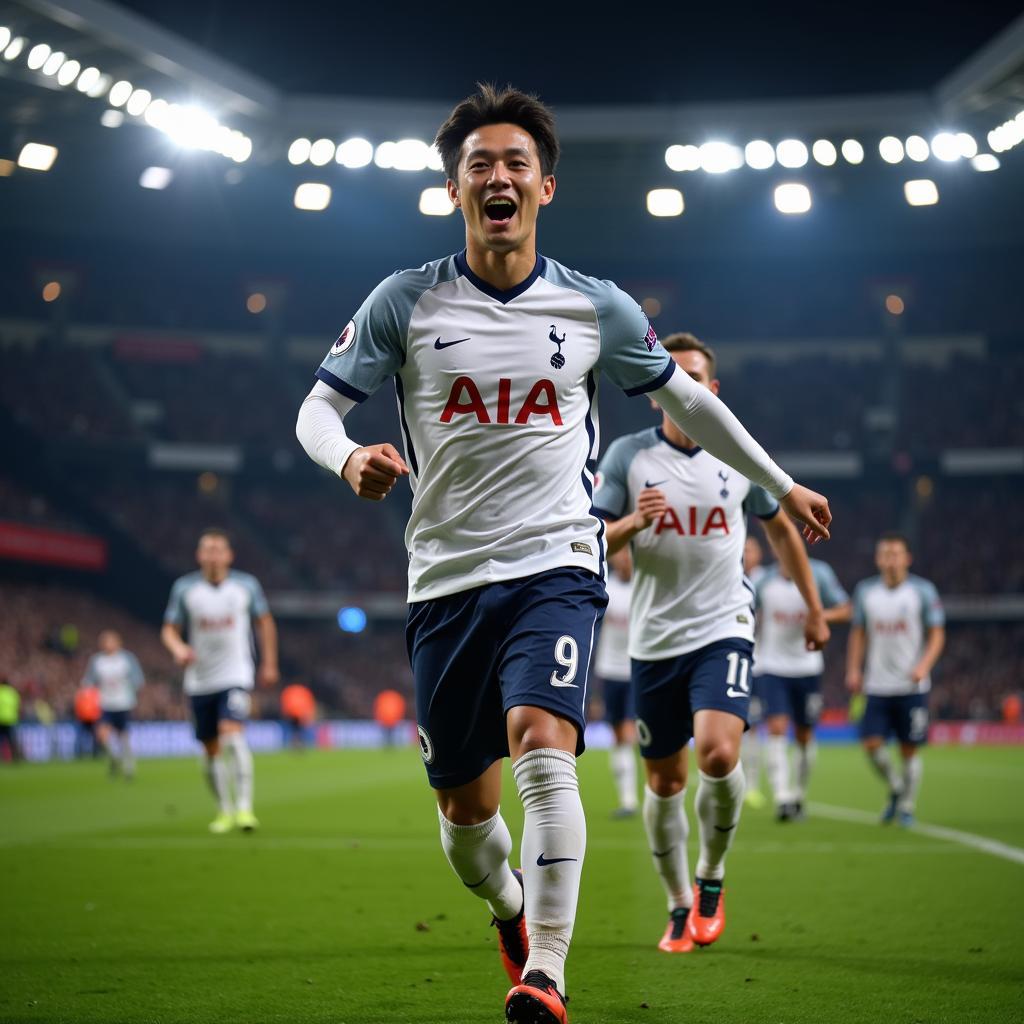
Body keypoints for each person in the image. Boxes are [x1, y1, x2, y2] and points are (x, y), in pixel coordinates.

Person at [295, 85, 830, 1024]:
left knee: (546, 749)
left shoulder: (594, 307)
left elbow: (693, 404)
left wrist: (779, 482)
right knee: (466, 825)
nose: (496, 178)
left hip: (557, 569)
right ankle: (507, 908)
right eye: (477, 166)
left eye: (513, 164)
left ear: (545, 183)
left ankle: (545, 970)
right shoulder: (405, 300)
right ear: (454, 187)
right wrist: (348, 459)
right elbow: (316, 408)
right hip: (446, 583)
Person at [593, 332, 830, 956]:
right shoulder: (625, 458)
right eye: (673, 377)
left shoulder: (737, 458)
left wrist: (812, 608)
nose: (684, 388)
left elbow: (781, 534)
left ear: (712, 391)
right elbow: (591, 541)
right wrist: (632, 524)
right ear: (654, 392)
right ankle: (677, 902)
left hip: (724, 627)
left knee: (720, 756)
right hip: (652, 642)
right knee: (665, 784)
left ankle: (712, 877)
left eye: (695, 377)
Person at [161, 528, 279, 834]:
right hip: (199, 679)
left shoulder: (245, 586)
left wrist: (268, 663)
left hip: (236, 674)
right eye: (207, 549)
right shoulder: (185, 588)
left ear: (229, 555)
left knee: (232, 734)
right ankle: (223, 810)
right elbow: (169, 629)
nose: (213, 554)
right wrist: (178, 648)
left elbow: (264, 623)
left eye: (218, 549)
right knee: (210, 748)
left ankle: (244, 808)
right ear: (199, 555)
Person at [845, 533, 945, 827]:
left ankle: (907, 806)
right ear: (877, 559)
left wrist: (923, 666)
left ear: (907, 558)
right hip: (876, 684)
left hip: (911, 686)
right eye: (885, 554)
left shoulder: (923, 591)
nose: (890, 560)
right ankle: (897, 787)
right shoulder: (866, 592)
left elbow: (937, 633)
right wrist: (853, 669)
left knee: (908, 748)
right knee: (872, 745)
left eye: (895, 554)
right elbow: (858, 632)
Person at [754, 558, 851, 820]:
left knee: (804, 735)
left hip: (807, 668)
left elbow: (846, 609)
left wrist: (820, 615)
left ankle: (798, 793)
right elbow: (745, 611)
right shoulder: (763, 581)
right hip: (771, 666)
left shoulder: (818, 574)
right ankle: (782, 797)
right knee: (775, 728)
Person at [591, 548, 638, 817]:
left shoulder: (645, 587)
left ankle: (631, 800)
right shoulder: (605, 586)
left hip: (635, 671)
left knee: (628, 732)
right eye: (619, 555)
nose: (624, 560)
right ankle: (626, 799)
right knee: (618, 735)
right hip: (609, 671)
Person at [81, 630, 144, 779]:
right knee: (102, 735)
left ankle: (129, 767)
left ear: (118, 643)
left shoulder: (126, 658)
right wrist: (87, 689)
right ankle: (114, 759)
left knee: (123, 736)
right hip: (105, 704)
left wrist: (131, 689)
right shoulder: (97, 660)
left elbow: (138, 679)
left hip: (123, 703)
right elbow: (88, 680)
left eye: (110, 641)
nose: (107, 644)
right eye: (105, 641)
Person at [741, 536, 768, 809]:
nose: (746, 554)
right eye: (743, 549)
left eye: (751, 549)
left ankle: (752, 785)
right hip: (729, 659)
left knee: (752, 727)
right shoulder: (728, 576)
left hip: (758, 665)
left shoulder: (767, 583)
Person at [280, 682, 316, 750]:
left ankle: (297, 744)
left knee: (297, 731)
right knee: (297, 731)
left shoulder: (290, 691)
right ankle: (297, 744)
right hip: (296, 715)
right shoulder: (302, 691)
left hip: (296, 715)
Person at [0, 678, 21, 763]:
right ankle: (14, 757)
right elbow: (18, 706)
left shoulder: (1, 692)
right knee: (11, 740)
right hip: (11, 720)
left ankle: (3, 758)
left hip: (1, 719)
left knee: (2, 740)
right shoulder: (13, 693)